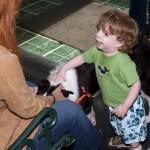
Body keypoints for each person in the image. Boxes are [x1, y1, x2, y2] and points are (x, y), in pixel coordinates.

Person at [0, 0, 102, 150]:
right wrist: (53, 98)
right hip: (9, 141)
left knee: (31, 85)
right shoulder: (5, 60)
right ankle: (95, 142)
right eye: (15, 8)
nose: (17, 13)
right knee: (70, 110)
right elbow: (27, 110)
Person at [50, 9, 147, 150]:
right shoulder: (97, 51)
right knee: (118, 126)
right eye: (99, 30)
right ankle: (126, 136)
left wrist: (125, 106)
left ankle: (135, 146)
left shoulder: (123, 63)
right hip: (112, 103)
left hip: (128, 105)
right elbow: (81, 58)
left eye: (105, 34)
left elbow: (136, 85)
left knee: (131, 133)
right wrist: (64, 68)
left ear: (120, 42)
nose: (97, 34)